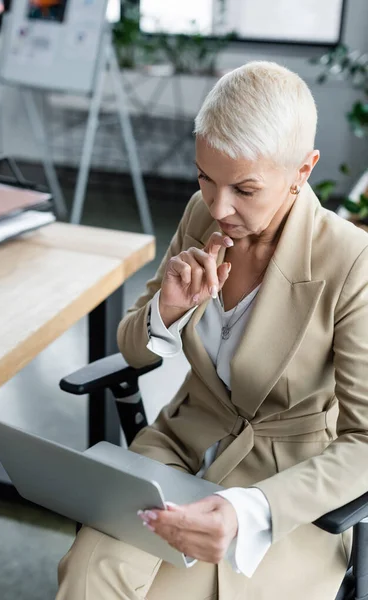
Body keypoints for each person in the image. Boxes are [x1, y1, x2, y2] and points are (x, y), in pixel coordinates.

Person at [56, 61, 368, 600]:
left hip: (282, 487)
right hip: (178, 449)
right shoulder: (202, 213)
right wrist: (167, 312)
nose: (219, 206)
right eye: (205, 177)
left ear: (302, 169)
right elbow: (133, 346)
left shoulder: (351, 263)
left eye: (245, 189)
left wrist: (250, 512)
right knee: (89, 577)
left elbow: (364, 442)